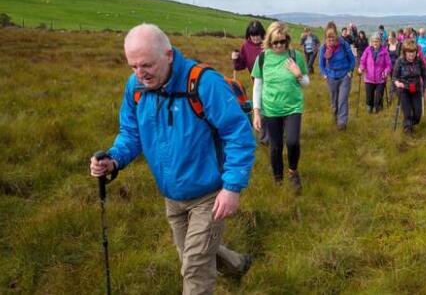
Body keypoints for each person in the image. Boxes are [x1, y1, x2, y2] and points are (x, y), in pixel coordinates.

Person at [90, 23, 256, 294]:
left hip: (209, 195)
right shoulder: (136, 87)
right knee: (190, 255)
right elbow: (131, 133)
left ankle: (226, 266)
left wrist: (232, 187)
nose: (140, 74)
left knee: (193, 269)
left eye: (146, 65)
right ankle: (238, 264)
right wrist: (114, 159)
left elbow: (238, 135)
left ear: (168, 55)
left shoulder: (204, 83)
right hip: (172, 195)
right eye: (133, 66)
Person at [252, 21, 309, 192]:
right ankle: (278, 180)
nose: (279, 45)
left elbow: (306, 83)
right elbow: (257, 87)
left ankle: (293, 172)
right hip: (271, 108)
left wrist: (299, 75)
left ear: (287, 40)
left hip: (293, 107)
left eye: (282, 41)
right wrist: (256, 112)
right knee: (275, 146)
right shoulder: (262, 58)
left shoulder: (295, 55)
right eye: (275, 42)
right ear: (269, 41)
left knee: (292, 142)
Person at [231, 20, 269, 145]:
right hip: (257, 82)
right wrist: (235, 59)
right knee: (262, 108)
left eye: (258, 35)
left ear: (262, 34)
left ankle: (277, 132)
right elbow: (240, 66)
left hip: (272, 81)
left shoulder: (268, 43)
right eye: (253, 35)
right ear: (249, 35)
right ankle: (265, 138)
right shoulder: (245, 46)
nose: (255, 38)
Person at [319, 26, 356, 130]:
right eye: (328, 39)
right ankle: (335, 116)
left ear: (336, 37)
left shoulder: (344, 44)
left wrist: (350, 71)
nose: (331, 41)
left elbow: (352, 60)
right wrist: (325, 74)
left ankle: (342, 123)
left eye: (333, 39)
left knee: (342, 99)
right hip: (331, 76)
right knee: (334, 101)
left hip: (344, 75)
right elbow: (321, 64)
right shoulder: (324, 48)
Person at [392, 39, 426, 135]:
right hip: (403, 89)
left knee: (418, 114)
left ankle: (410, 124)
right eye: (409, 52)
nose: (411, 54)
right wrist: (397, 83)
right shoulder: (399, 61)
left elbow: (424, 76)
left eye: (413, 52)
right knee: (407, 112)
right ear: (404, 52)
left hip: (416, 89)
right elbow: (394, 77)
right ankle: (407, 130)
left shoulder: (419, 61)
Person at [358, 35, 391, 113]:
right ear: (371, 42)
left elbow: (388, 65)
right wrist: (361, 67)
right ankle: (369, 110)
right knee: (369, 97)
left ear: (380, 42)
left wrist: (386, 71)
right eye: (373, 41)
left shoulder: (384, 51)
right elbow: (362, 61)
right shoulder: (367, 50)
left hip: (381, 78)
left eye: (377, 41)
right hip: (369, 78)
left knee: (378, 97)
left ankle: (378, 111)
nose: (375, 43)